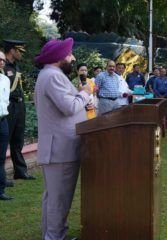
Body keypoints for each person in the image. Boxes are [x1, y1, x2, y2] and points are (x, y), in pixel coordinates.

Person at [34, 38, 92, 240]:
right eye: (69, 54)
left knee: (54, 198)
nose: (72, 58)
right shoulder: (52, 76)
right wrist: (85, 94)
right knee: (59, 199)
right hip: (61, 148)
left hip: (60, 148)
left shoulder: (52, 74)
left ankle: (53, 235)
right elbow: (69, 107)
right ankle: (54, 237)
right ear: (59, 57)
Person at [3, 39, 35, 180]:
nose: (21, 54)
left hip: (19, 105)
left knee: (18, 139)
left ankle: (20, 171)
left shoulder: (16, 66)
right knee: (4, 139)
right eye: (19, 51)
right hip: (8, 105)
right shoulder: (3, 66)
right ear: (12, 50)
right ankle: (1, 175)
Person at [0, 50, 14, 200]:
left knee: (1, 157)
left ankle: (0, 190)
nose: (2, 62)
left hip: (3, 121)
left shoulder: (5, 79)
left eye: (3, 60)